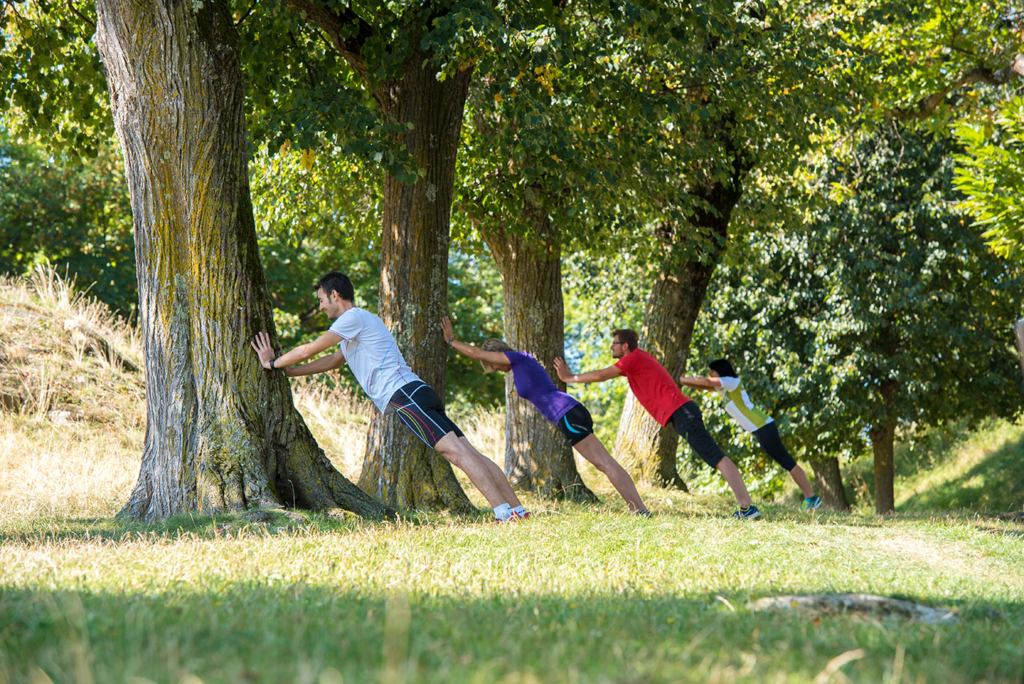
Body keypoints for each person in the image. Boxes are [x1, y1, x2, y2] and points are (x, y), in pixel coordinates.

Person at [251, 272, 529, 522]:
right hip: (418, 390)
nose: (321, 306)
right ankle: (517, 510)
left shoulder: (352, 318)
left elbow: (309, 349)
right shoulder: (360, 324)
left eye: (322, 300)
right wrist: (290, 373)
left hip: (404, 395)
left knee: (455, 454)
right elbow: (333, 361)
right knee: (469, 452)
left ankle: (503, 514)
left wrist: (272, 363)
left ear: (335, 295)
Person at [440, 315, 651, 516]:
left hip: (567, 413)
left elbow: (477, 353)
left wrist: (451, 341)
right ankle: (639, 509)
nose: (493, 369)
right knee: (605, 463)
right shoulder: (522, 363)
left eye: (491, 363)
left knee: (605, 463)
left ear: (497, 353)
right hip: (569, 412)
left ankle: (640, 510)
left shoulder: (519, 357)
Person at [554, 329, 761, 520]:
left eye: (615, 343)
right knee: (714, 456)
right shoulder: (637, 362)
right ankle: (747, 508)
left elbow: (601, 375)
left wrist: (569, 377)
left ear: (625, 346)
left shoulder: (633, 358)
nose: (612, 347)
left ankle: (747, 508)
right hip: (682, 413)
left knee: (715, 457)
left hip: (683, 413)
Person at [679, 359, 822, 510]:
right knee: (785, 461)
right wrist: (684, 383)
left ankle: (812, 498)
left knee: (787, 462)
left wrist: (682, 379)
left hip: (763, 426)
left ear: (720, 371)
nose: (709, 374)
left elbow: (706, 382)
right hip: (759, 429)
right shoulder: (724, 388)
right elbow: (703, 386)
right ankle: (811, 497)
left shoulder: (731, 382)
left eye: (712, 371)